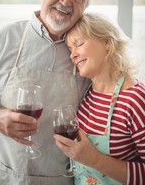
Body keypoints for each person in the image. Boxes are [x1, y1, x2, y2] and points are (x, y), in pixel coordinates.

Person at [0, 0, 96, 185]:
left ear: (85, 5)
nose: (65, 1)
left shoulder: (87, 53)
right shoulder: (5, 38)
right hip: (4, 177)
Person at [54, 13, 145, 185]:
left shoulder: (135, 99)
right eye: (70, 49)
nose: (73, 55)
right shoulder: (87, 93)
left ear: (107, 43)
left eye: (79, 44)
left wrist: (95, 160)